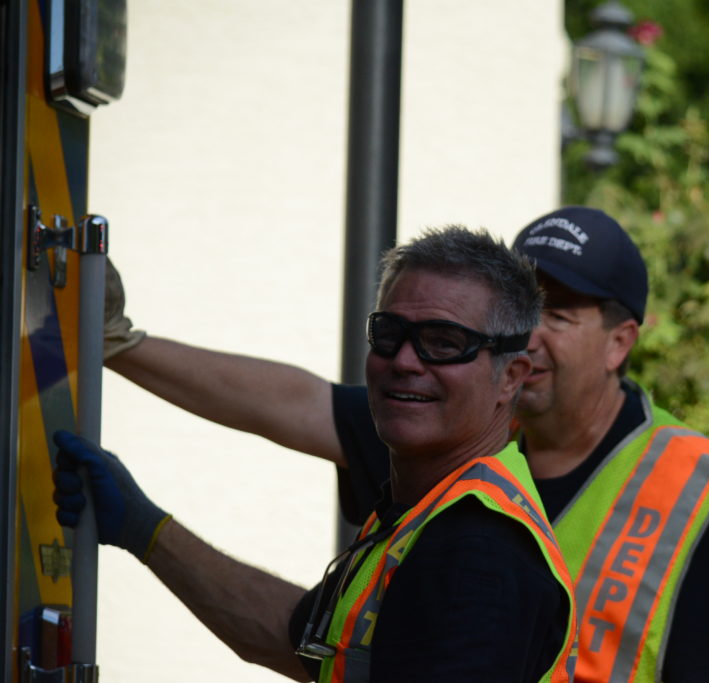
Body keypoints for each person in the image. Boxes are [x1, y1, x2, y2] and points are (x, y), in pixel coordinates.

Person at [105, 207, 709, 683]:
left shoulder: (691, 492)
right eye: (526, 307)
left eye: (557, 314)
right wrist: (120, 346)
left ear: (619, 342)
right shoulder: (448, 431)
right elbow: (295, 404)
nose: (531, 332)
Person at [56, 226, 577, 682]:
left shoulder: (477, 553)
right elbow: (293, 639)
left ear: (510, 377)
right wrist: (144, 527)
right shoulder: (430, 508)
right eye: (389, 333)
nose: (404, 361)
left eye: (444, 342)